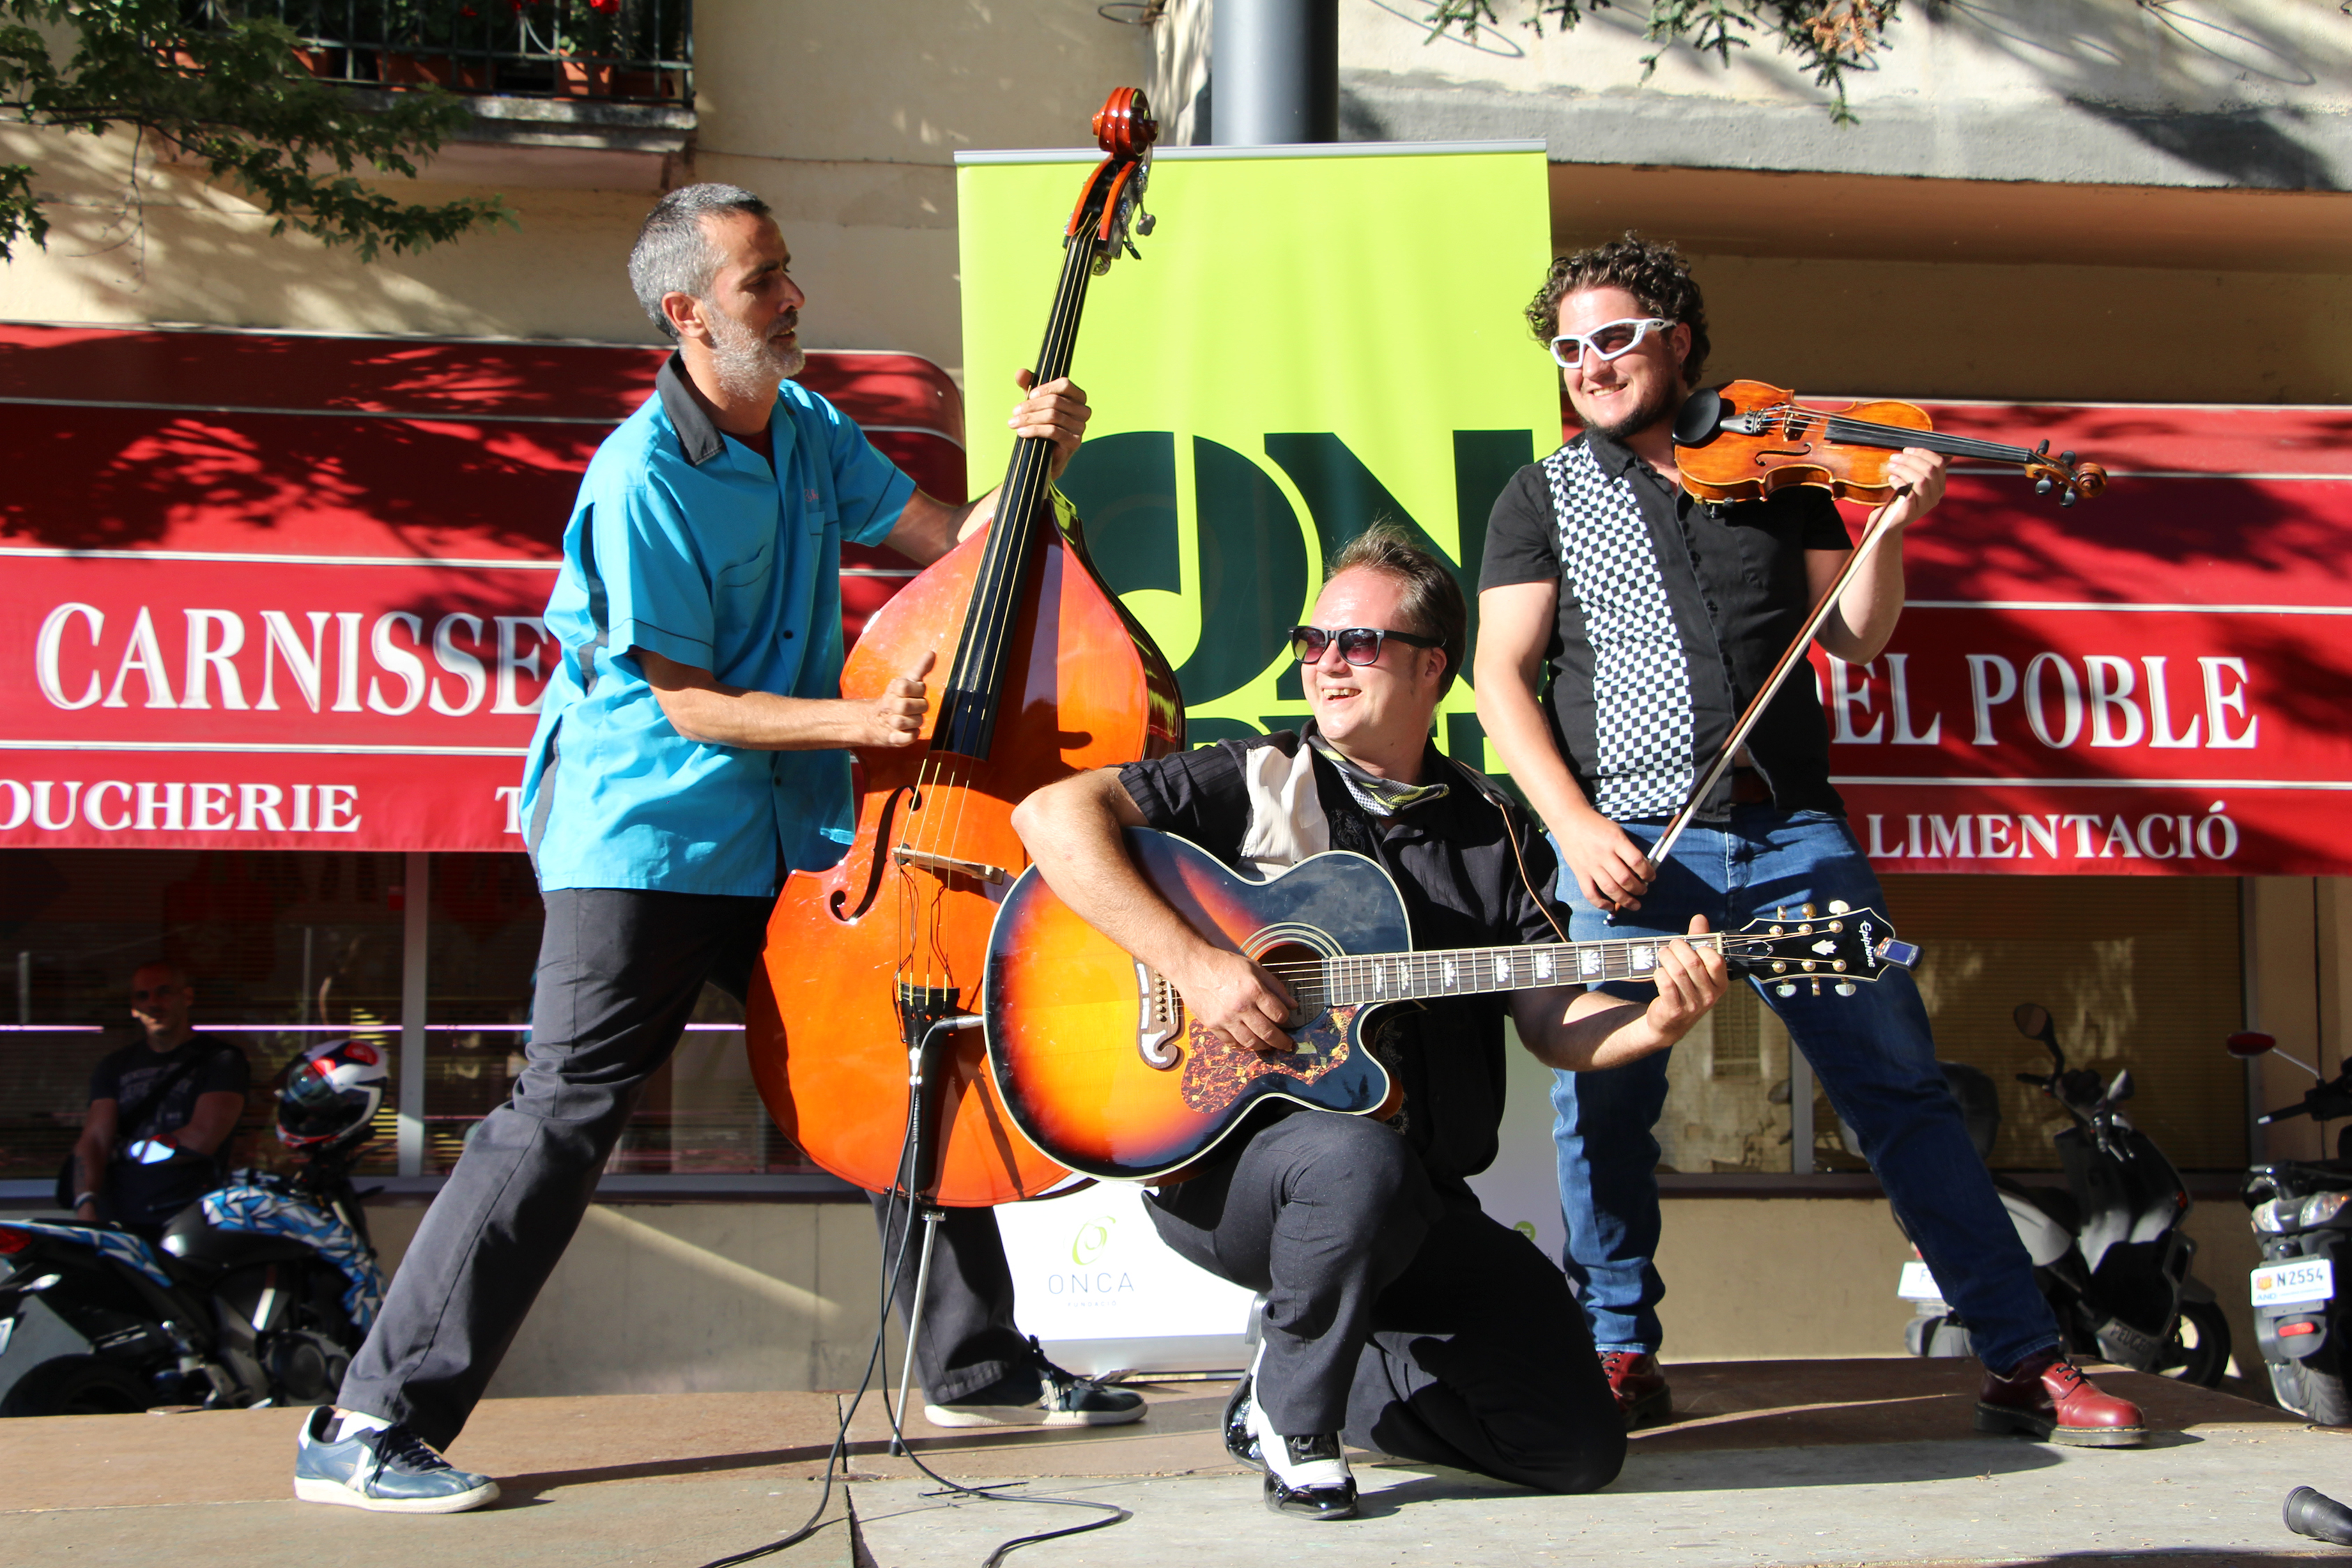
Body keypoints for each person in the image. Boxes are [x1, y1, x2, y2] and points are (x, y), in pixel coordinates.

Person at [293, 183, 1138, 1516]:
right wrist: (858, 718)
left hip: (786, 829)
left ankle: (974, 1366)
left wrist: (1037, 462)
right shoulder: (638, 474)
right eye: (763, 283)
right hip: (642, 834)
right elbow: (680, 698)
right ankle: (366, 1421)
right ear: (688, 314)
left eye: (788, 272)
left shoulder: (803, 425)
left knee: (906, 1047)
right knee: (563, 1115)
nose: (793, 298)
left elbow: (946, 548)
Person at [1472, 233, 2145, 1447]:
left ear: (1678, 339)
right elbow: (1501, 677)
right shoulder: (1541, 496)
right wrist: (1571, 827)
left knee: (1901, 1093)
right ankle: (1617, 1348)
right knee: (1604, 1101)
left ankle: (2022, 1356)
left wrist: (1890, 522)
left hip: (1789, 835)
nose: (1589, 364)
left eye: (1613, 338)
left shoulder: (1780, 469)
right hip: (1627, 836)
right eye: (1568, 347)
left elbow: (1861, 635)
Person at [1008, 528, 1732, 1520]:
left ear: (1432, 665)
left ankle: (1314, 1377)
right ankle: (1295, 1421)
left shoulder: (1492, 826)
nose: (1326, 664)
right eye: (1313, 642)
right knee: (1353, 1159)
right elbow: (1048, 818)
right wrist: (1200, 967)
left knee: (1570, 1444)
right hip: (1228, 1177)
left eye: (1357, 643)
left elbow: (1552, 1016)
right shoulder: (1252, 778)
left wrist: (1651, 1026)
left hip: (1417, 1205)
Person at [71, 962, 247, 1238]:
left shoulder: (221, 1060)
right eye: (143, 996)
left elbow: (201, 1138)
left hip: (192, 1218)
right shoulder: (114, 1066)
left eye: (163, 992)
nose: (153, 1003)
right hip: (121, 1217)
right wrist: (86, 1203)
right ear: (133, 1007)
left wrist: (128, 1152)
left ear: (186, 997)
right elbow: (94, 1140)